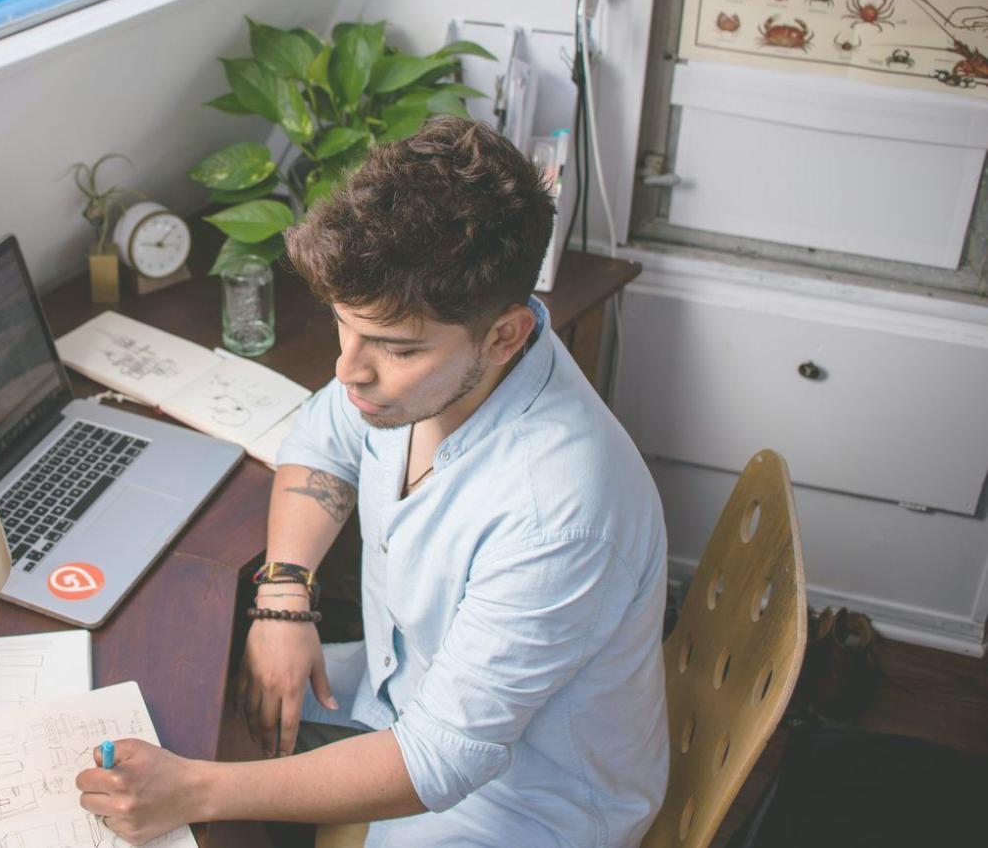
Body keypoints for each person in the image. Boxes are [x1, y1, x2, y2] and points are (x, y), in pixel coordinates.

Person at [76, 117, 669, 846]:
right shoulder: (423, 376)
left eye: (392, 347)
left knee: (198, 774)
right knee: (197, 702)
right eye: (343, 326)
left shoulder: (560, 514)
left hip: (520, 805)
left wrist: (193, 792)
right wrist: (283, 597)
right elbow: (323, 434)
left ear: (506, 334)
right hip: (402, 693)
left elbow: (437, 761)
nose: (347, 370)